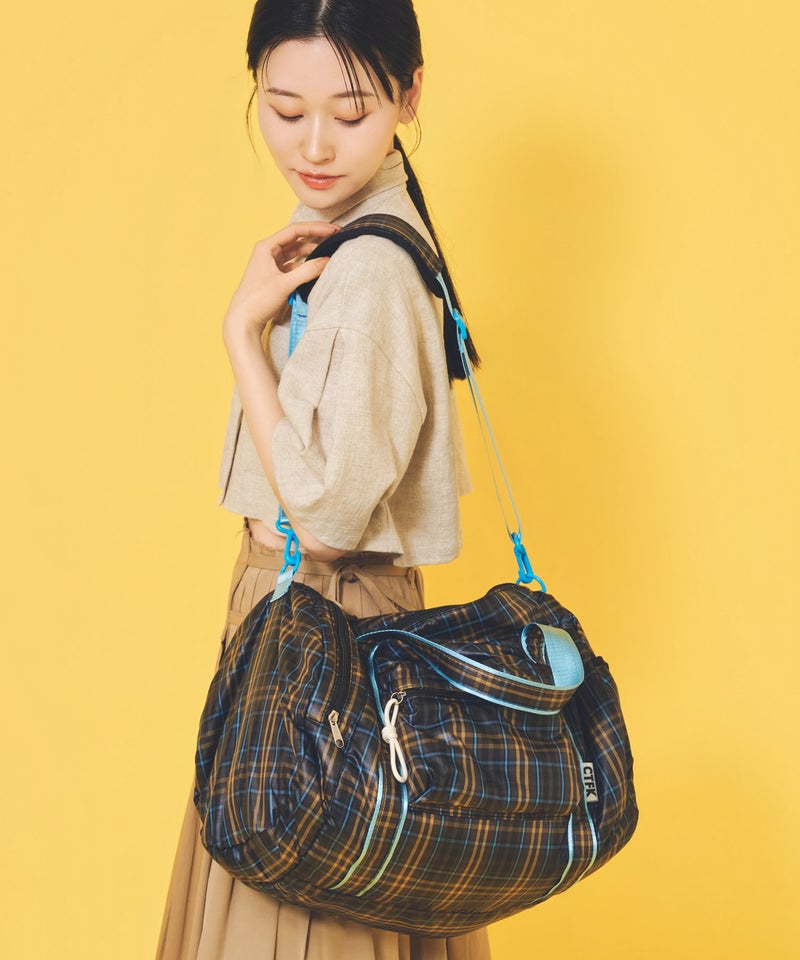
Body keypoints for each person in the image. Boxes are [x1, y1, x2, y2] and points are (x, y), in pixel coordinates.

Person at [156, 1, 491, 957]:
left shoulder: (370, 269)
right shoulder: (340, 236)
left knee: (299, 913)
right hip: (312, 622)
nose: (313, 145)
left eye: (349, 113)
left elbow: (328, 521)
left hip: (323, 626)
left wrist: (240, 333)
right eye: (283, 108)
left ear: (409, 95)